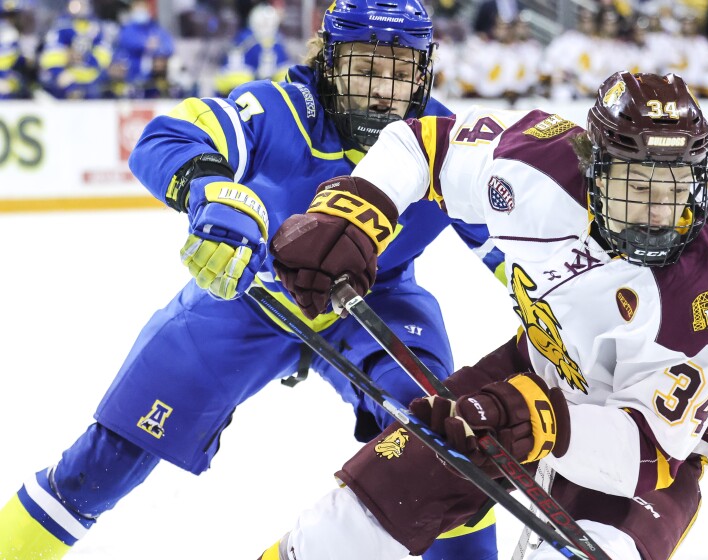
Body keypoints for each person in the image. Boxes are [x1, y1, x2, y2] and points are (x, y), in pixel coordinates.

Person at [0, 1, 502, 559]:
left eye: (400, 70)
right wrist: (213, 191)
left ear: (425, 70)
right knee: (104, 462)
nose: (383, 90)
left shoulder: (450, 144)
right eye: (365, 67)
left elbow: (517, 248)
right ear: (330, 62)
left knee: (449, 444)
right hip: (253, 291)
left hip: (374, 301)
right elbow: (166, 138)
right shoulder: (279, 109)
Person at [263, 71, 708, 560]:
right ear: (595, 166)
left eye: (675, 187)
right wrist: (353, 211)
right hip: (533, 371)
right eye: (638, 186)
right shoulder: (539, 164)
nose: (659, 213)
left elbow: (647, 451)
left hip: (635, 435)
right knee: (356, 516)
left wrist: (542, 420)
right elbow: (421, 147)